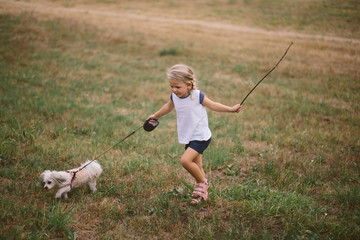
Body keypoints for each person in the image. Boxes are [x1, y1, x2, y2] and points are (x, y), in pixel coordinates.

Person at [147, 64, 242, 204]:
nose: (174, 90)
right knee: (198, 167)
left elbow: (213, 105)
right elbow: (168, 107)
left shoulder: (197, 96)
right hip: (189, 136)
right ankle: (201, 195)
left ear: (189, 84)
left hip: (201, 136)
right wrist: (155, 116)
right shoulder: (174, 96)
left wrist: (231, 109)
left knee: (185, 161)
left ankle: (203, 182)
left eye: (177, 87)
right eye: (171, 86)